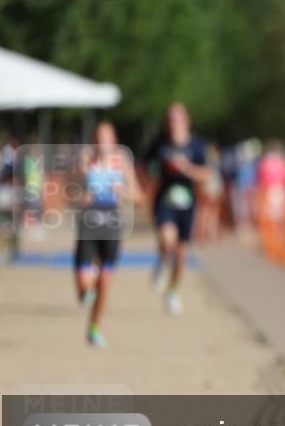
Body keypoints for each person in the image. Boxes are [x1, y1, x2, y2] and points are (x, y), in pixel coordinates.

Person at [74, 121, 145, 346]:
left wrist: (122, 191)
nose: (103, 143)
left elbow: (140, 198)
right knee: (85, 288)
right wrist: (80, 194)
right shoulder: (85, 160)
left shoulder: (121, 162)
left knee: (104, 281)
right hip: (88, 226)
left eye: (107, 138)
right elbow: (67, 193)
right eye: (99, 137)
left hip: (111, 226)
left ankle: (94, 327)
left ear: (113, 141)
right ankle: (87, 293)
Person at [144, 103, 210, 316]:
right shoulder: (160, 143)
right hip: (165, 200)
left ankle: (172, 292)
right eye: (171, 119)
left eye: (178, 118)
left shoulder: (197, 145)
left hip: (187, 203)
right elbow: (146, 167)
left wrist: (187, 168)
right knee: (166, 238)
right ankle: (162, 263)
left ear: (186, 121)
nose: (174, 123)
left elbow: (206, 174)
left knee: (181, 256)